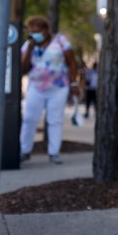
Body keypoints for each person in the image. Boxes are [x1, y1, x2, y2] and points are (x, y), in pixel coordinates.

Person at [19, 16, 80, 164]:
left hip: (58, 87)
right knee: (29, 119)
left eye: (38, 31)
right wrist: (30, 49)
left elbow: (72, 63)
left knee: (55, 120)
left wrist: (74, 85)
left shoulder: (60, 41)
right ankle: (24, 150)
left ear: (46, 30)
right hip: (36, 87)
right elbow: (23, 68)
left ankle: (54, 152)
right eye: (32, 32)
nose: (35, 35)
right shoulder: (28, 45)